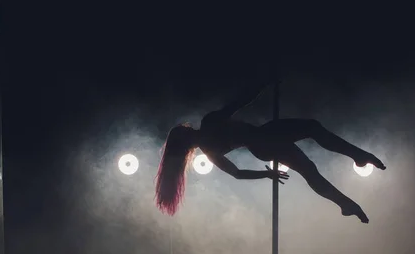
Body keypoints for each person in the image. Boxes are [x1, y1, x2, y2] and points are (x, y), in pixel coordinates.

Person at [155, 79, 386, 223]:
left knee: (311, 152)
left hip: (264, 140)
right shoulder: (209, 127)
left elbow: (237, 173)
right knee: (310, 162)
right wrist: (263, 84)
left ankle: (347, 196)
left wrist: (263, 84)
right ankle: (350, 186)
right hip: (264, 141)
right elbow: (239, 103)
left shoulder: (209, 149)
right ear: (185, 136)